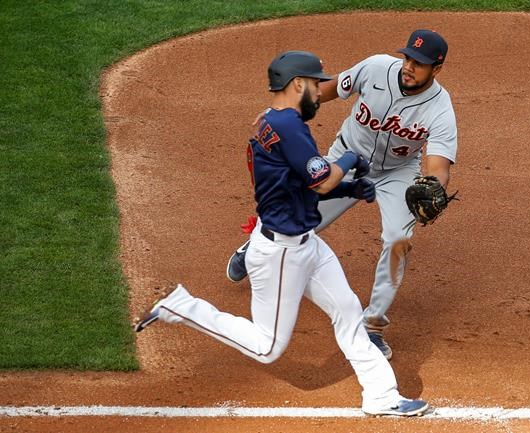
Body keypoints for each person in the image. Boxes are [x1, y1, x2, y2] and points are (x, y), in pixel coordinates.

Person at [134, 50, 429, 417]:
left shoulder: (274, 123)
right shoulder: (288, 127)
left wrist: (349, 190)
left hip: (306, 244)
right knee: (267, 346)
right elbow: (321, 179)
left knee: (348, 311)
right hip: (280, 254)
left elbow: (301, 184)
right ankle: (180, 306)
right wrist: (350, 160)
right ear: (297, 84)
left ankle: (382, 395)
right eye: (316, 83)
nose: (321, 91)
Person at [227, 30, 458, 360]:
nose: (409, 67)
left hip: (399, 172)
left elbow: (437, 164)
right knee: (306, 213)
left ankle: (373, 326)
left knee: (397, 240)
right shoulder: (376, 68)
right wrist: (280, 110)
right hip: (347, 156)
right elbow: (330, 87)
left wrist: (433, 183)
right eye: (407, 58)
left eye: (419, 64)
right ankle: (255, 246)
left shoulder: (440, 108)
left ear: (436, 69)